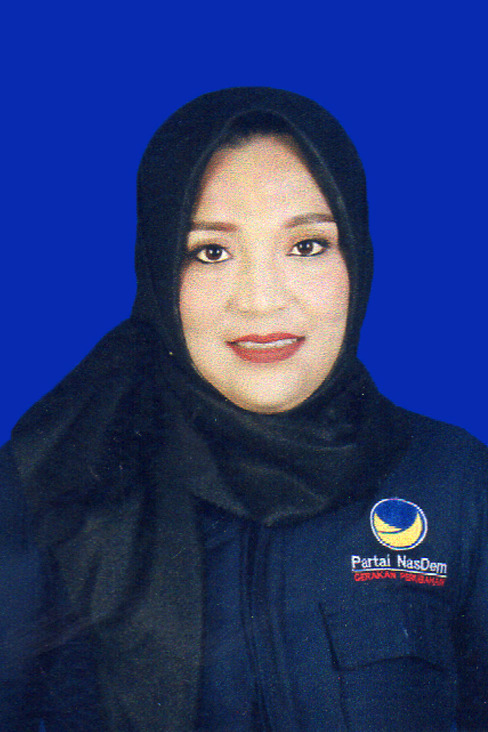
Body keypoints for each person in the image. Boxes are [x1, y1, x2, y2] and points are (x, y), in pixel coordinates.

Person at [1, 87, 487, 731]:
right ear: (159, 271)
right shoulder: (53, 478)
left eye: (307, 245)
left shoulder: (455, 480)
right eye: (211, 252)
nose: (261, 300)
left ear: (357, 257)